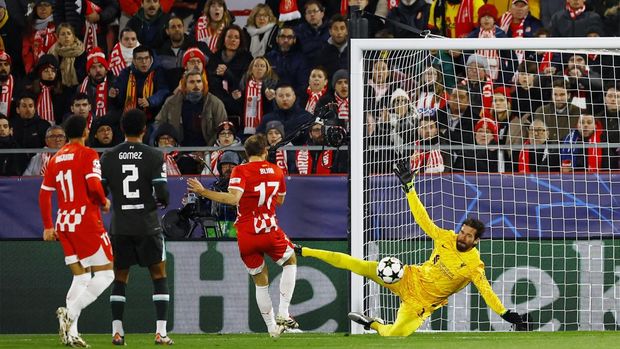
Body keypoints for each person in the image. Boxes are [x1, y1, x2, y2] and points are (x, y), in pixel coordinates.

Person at [295, 161, 528, 336]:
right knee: (358, 265)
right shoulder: (445, 237)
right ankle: (303, 250)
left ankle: (372, 324)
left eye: (468, 236)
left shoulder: (474, 266)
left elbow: (487, 292)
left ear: (476, 241)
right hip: (406, 277)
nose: (462, 236)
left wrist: (505, 314)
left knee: (396, 334)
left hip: (421, 304)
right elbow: (423, 220)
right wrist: (410, 189)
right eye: (462, 231)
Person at [187, 134, 298, 337]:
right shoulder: (276, 170)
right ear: (265, 151)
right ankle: (283, 312)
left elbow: (233, 199)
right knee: (290, 261)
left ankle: (272, 328)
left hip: (246, 233)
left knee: (260, 280)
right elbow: (280, 201)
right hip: (269, 228)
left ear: (246, 153)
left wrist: (203, 192)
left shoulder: (240, 170)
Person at [38, 115, 114, 347]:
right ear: (86, 131)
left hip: (64, 223)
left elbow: (44, 194)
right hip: (86, 221)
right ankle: (71, 314)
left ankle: (71, 334)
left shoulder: (56, 158)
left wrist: (48, 226)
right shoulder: (89, 154)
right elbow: (93, 185)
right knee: (107, 274)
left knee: (81, 276)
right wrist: (103, 201)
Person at [100, 109, 172, 346]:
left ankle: (117, 332)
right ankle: (161, 333)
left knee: (120, 277)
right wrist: (160, 201)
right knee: (158, 275)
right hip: (147, 225)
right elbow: (162, 194)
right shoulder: (154, 156)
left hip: (120, 226)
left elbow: (101, 193)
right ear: (144, 129)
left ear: (122, 129)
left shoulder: (108, 157)